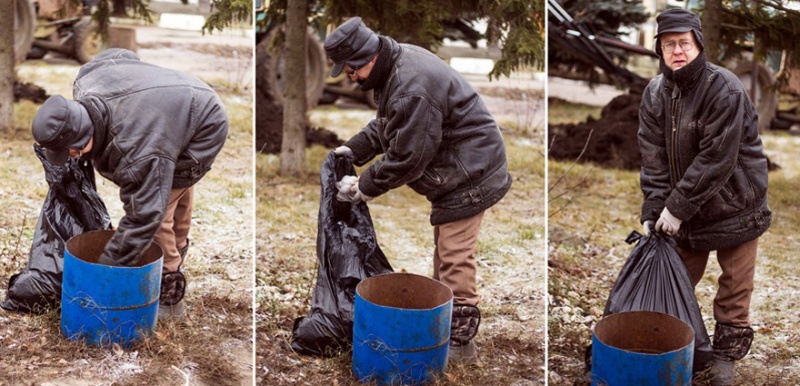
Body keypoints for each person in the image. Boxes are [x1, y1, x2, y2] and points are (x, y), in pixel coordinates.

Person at [323, 17, 512, 364]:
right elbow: (387, 124)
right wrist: (352, 151)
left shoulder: (411, 84)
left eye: (350, 68)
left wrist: (363, 187)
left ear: (367, 55)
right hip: (457, 170)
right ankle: (443, 326)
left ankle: (460, 342)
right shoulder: (395, 68)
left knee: (454, 257)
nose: (350, 76)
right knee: (444, 253)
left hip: (471, 174)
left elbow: (408, 156)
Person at [31, 48, 228, 320]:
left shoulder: (136, 151)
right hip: (176, 105)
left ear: (84, 135)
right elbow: (119, 55)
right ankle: (171, 254)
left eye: (73, 151)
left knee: (158, 214)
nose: (73, 157)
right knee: (165, 190)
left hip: (205, 124)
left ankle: (170, 286)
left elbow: (143, 217)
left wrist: (106, 271)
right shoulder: (87, 80)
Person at [638, 8, 771, 385]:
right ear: (659, 50)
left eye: (683, 43)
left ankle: (725, 359)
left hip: (736, 204)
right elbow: (653, 157)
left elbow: (717, 159)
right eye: (668, 45)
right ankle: (678, 347)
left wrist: (675, 208)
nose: (676, 51)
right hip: (688, 208)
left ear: (698, 43)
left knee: (734, 286)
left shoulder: (724, 87)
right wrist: (654, 207)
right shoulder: (654, 93)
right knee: (674, 280)